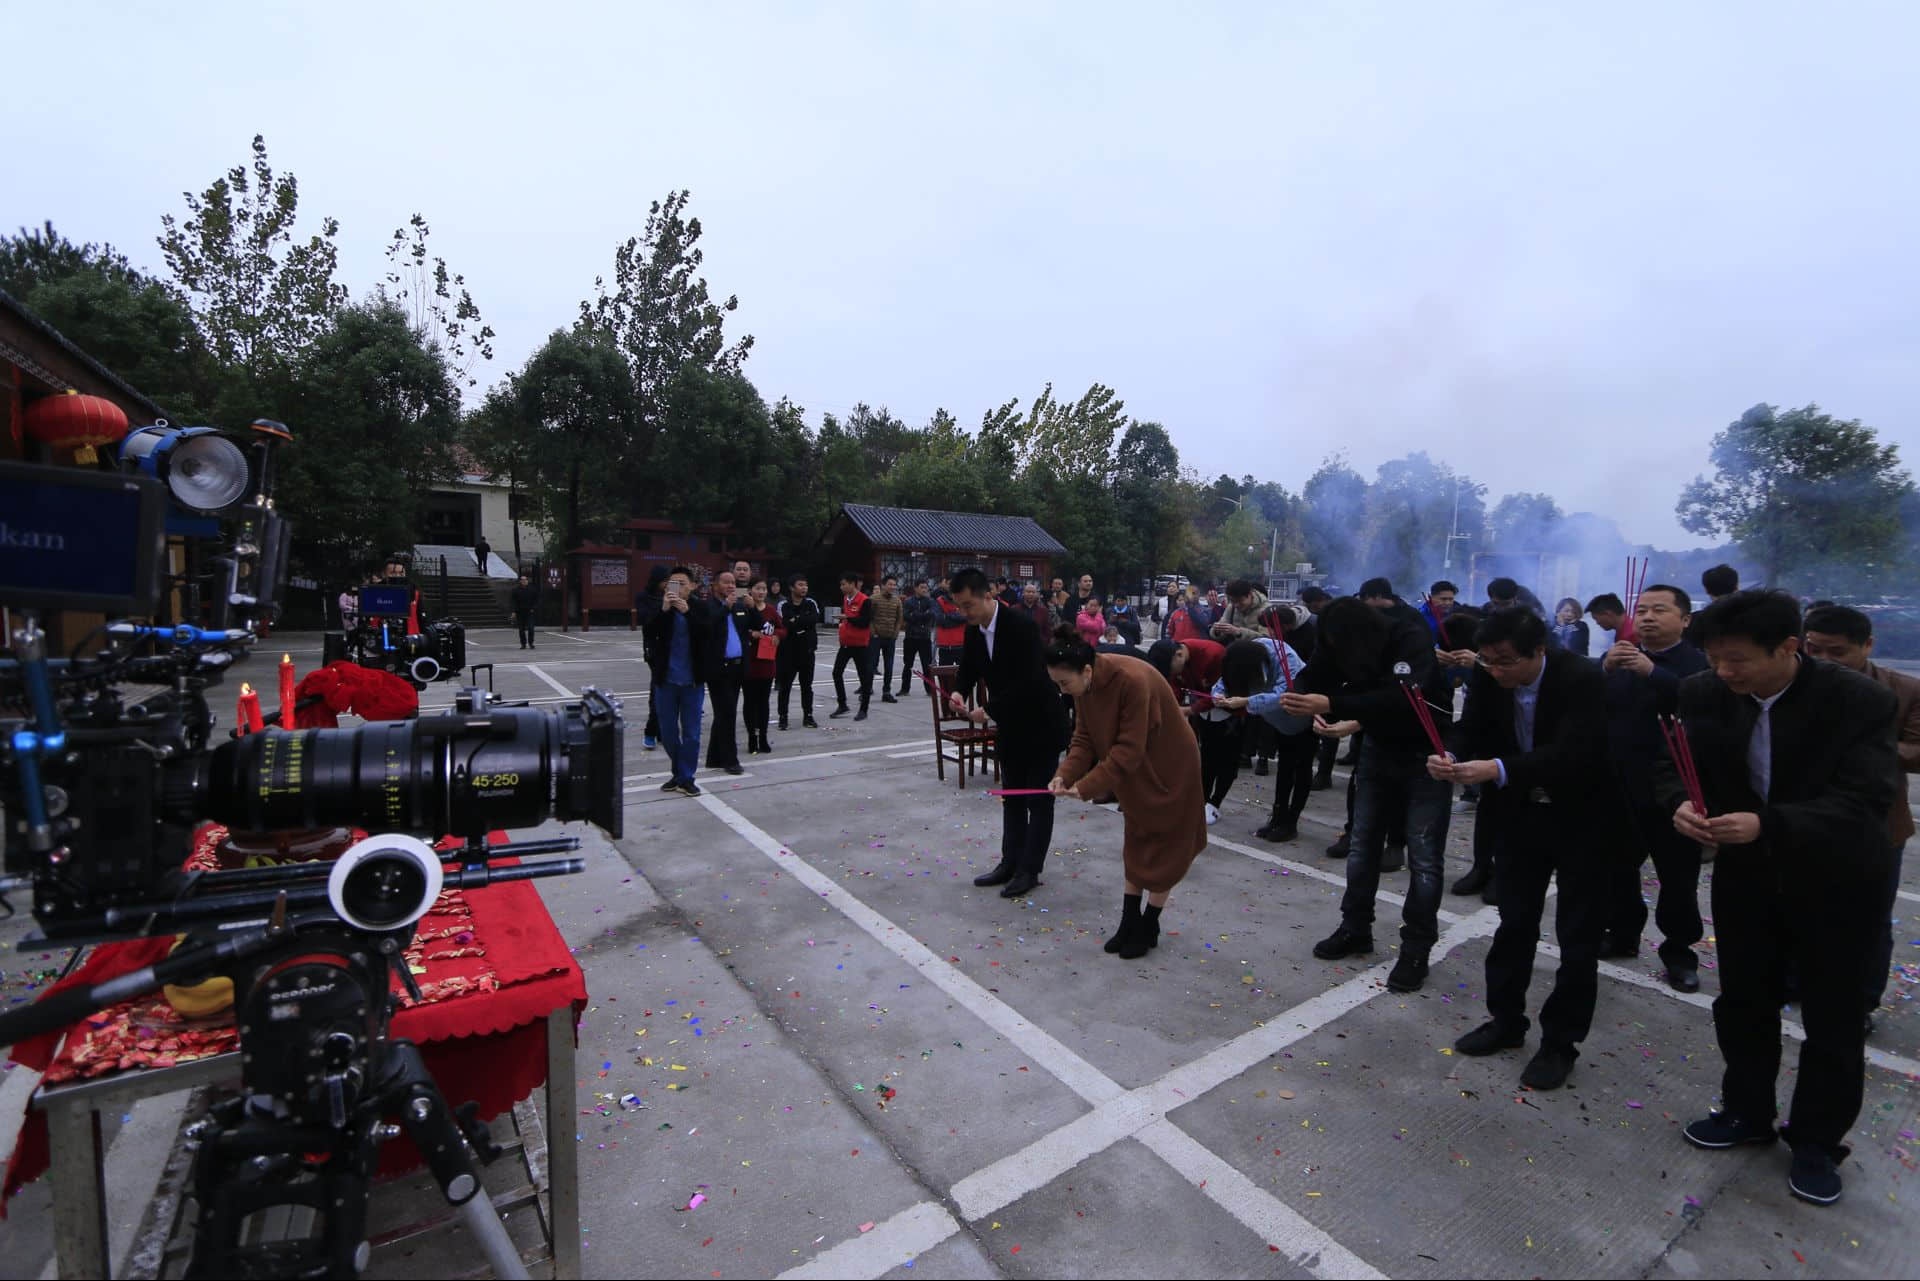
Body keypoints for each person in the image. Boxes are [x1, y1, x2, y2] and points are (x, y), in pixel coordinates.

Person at [1660, 591, 1896, 1206]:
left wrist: (1770, 824)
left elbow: (1866, 799)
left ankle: (1816, 1141)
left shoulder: (1859, 700)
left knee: (1834, 1016)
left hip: (1838, 879)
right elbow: (1672, 764)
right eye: (1714, 658)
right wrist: (1679, 803)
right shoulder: (1702, 693)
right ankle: (1746, 1112)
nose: (1724, 672)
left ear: (1789, 648)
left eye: (1738, 660)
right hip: (1748, 877)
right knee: (1744, 1001)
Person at [1433, 607, 1610, 1089]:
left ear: (1539, 651)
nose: (1495, 670)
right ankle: (1506, 1021)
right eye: (1487, 661)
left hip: (1583, 817)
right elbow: (1471, 725)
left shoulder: (1583, 678)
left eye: (1506, 661)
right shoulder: (1491, 676)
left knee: (1577, 938)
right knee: (1513, 924)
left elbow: (1576, 752)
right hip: (1517, 817)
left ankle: (1560, 1043)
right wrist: (1451, 752)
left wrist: (1497, 769)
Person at [1278, 596, 1453, 993]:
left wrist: (1333, 703)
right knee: (1362, 845)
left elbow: (1402, 698)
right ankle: (1355, 927)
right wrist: (1302, 698)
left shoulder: (1408, 636)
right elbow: (1314, 674)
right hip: (1377, 749)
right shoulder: (1338, 638)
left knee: (1424, 858)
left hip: (1427, 754)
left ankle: (1416, 949)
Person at [1046, 631, 1208, 959]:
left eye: (1064, 683)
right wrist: (1065, 774)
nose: (1062, 690)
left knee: (1166, 845)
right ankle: (1129, 920)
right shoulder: (1084, 684)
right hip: (1135, 768)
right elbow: (1084, 738)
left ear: (1086, 671)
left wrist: (1087, 786)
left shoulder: (1132, 681)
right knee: (1136, 838)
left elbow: (1128, 749)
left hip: (1169, 765)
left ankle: (1149, 923)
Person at [1797, 604, 1919, 1033]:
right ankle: (1798, 980)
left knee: (1868, 920)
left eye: (1838, 652)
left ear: (1867, 646)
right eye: (1814, 650)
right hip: (1802, 821)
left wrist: (1857, 743)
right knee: (1801, 907)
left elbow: (1917, 751)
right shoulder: (1792, 684)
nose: (1824, 660)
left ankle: (1860, 1001)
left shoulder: (1904, 690)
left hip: (1876, 827)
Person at [1597, 584, 1711, 989]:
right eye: (1642, 609)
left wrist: (1653, 673)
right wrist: (1604, 669)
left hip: (1674, 791)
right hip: (1620, 782)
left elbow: (1702, 707)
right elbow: (1592, 705)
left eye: (1659, 610)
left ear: (1685, 619)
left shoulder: (1699, 663)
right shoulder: (1621, 656)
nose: (1647, 617)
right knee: (1619, 866)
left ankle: (1679, 952)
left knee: (1677, 876)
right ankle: (1622, 933)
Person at [950, 567, 1070, 898]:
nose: (964, 612)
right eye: (959, 606)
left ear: (988, 595)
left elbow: (1030, 679)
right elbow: (969, 666)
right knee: (1012, 797)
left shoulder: (1021, 626)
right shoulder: (974, 630)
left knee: (1038, 799)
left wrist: (990, 710)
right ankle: (1009, 862)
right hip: (1011, 726)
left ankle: (1030, 870)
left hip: (1041, 722)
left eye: (968, 605)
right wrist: (960, 691)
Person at [1214, 606, 1314, 842]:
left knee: (1301, 767)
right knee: (1285, 767)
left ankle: (1291, 821)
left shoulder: (1284, 656)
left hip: (1302, 716)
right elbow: (1222, 681)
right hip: (1277, 721)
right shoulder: (1242, 654)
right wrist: (1217, 694)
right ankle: (1278, 817)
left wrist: (1246, 700)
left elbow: (1284, 695)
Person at [642, 566, 722, 796]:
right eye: (672, 583)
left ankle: (686, 778)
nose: (676, 588)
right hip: (666, 680)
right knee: (667, 732)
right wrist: (664, 610)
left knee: (691, 733)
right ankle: (680, 773)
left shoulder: (700, 608)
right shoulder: (661, 607)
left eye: (682, 583)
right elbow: (648, 631)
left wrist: (687, 613)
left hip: (692, 681)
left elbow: (708, 633)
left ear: (693, 586)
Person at [706, 571, 751, 776]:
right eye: (726, 582)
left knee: (725, 712)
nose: (731, 586)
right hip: (719, 668)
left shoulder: (739, 606)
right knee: (727, 713)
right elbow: (708, 626)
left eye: (733, 583)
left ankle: (714, 757)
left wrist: (752, 606)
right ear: (715, 585)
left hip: (737, 667)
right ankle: (730, 760)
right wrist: (725, 607)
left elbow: (755, 624)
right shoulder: (709, 606)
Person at [740, 578, 785, 756]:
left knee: (763, 702)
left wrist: (777, 635)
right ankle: (752, 737)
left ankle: (763, 737)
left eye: (764, 589)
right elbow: (738, 631)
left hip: (767, 661)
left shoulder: (771, 610)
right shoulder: (742, 609)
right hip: (749, 662)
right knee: (750, 702)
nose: (761, 592)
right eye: (758, 588)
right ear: (750, 591)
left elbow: (782, 628)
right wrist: (751, 634)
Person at [777, 576, 823, 730]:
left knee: (807, 686)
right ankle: (783, 717)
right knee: (785, 687)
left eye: (806, 585)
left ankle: (808, 716)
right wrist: (801, 620)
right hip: (788, 652)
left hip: (807, 651)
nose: (804, 588)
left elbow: (813, 620)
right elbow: (785, 623)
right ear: (792, 587)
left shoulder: (811, 603)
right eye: (800, 585)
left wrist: (796, 620)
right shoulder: (783, 604)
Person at [635, 564, 672, 750]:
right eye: (665, 581)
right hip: (655, 649)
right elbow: (646, 622)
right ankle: (651, 731)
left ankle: (661, 730)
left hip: (672, 647)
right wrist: (663, 608)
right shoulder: (644, 597)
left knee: (669, 691)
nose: (667, 584)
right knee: (657, 689)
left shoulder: (673, 595)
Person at [831, 572, 876, 720]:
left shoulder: (865, 600)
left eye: (844, 584)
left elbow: (864, 622)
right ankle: (842, 704)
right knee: (836, 673)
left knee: (864, 677)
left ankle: (864, 709)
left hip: (860, 645)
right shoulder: (846, 598)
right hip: (846, 644)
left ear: (852, 584)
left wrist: (848, 618)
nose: (841, 587)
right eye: (841, 584)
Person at [898, 579, 937, 696]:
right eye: (921, 587)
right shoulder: (908, 601)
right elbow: (907, 616)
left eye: (926, 587)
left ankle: (930, 690)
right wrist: (922, 615)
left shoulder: (930, 601)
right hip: (911, 637)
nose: (924, 590)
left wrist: (916, 615)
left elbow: (931, 614)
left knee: (927, 665)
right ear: (915, 588)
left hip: (925, 637)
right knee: (908, 664)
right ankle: (905, 689)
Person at [870, 575, 905, 704]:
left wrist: (895, 634)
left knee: (889, 667)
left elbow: (899, 619)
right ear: (883, 585)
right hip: (876, 638)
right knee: (871, 665)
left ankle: (886, 692)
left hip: (890, 638)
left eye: (894, 585)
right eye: (890, 584)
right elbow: (869, 618)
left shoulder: (897, 600)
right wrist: (873, 633)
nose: (892, 587)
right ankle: (867, 690)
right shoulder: (874, 599)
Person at [934, 576, 968, 665]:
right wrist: (957, 617)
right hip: (945, 646)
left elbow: (966, 617)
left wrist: (947, 615)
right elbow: (939, 620)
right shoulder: (939, 601)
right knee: (944, 672)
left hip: (961, 645)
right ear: (946, 585)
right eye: (950, 584)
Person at [1586, 593, 1627, 658]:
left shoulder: (1630, 635)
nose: (1597, 623)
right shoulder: (1622, 630)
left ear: (1608, 614)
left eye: (1596, 618)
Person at [511, 572, 540, 651]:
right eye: (522, 580)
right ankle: (523, 644)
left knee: (531, 628)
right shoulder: (516, 590)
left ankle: (531, 643)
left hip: (530, 611)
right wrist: (514, 611)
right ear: (520, 581)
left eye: (525, 580)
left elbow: (537, 600)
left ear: (527, 581)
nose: (523, 581)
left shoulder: (532, 589)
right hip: (520, 612)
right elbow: (513, 602)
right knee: (521, 629)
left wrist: (533, 608)